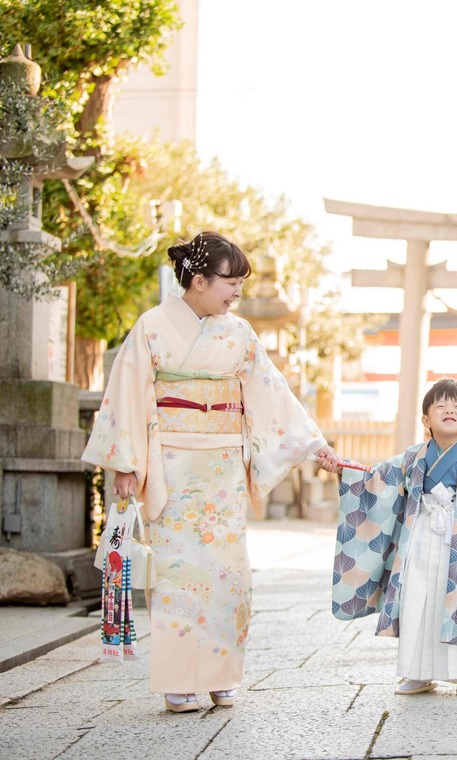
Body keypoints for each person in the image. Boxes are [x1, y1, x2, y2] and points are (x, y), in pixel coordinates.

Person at [82, 232, 339, 713]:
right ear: (197, 280)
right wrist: (124, 464)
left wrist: (312, 444)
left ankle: (222, 673)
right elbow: (129, 392)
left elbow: (270, 390)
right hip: (170, 465)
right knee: (178, 571)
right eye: (230, 281)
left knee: (226, 572)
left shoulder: (239, 333)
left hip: (221, 466)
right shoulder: (153, 326)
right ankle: (178, 678)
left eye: (241, 283)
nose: (237, 292)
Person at [327, 378, 457, 697]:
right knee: (417, 598)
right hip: (420, 536)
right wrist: (344, 470)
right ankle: (416, 671)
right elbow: (376, 480)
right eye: (440, 406)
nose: (449, 410)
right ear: (426, 421)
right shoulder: (413, 458)